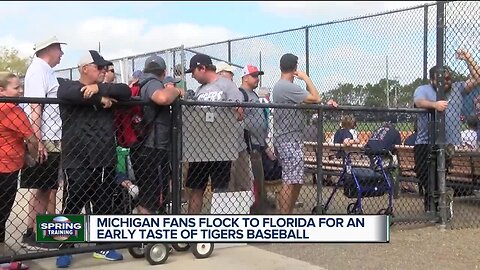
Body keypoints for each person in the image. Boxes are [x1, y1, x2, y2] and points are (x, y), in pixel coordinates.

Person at [55, 50, 131, 268]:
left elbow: (124, 90)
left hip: (104, 157)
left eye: (104, 68)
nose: (103, 71)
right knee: (72, 204)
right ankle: (64, 248)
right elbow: (71, 94)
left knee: (104, 204)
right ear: (85, 68)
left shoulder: (106, 87)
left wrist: (99, 88)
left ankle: (103, 246)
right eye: (99, 67)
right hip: (77, 158)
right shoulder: (67, 86)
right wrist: (100, 98)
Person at [413, 49, 480, 212]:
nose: (446, 82)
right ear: (432, 80)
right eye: (442, 79)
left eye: (448, 78)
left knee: (439, 173)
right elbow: (419, 102)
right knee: (423, 174)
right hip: (425, 141)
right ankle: (436, 203)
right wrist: (435, 105)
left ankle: (437, 207)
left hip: (448, 141)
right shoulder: (423, 89)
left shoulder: (458, 88)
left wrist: (468, 59)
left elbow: (477, 78)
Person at [272, 53, 337, 214]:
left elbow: (310, 103)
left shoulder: (283, 87)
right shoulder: (287, 86)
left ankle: (287, 214)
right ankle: (285, 218)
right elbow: (315, 97)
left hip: (290, 138)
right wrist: (306, 78)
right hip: (289, 139)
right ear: (294, 68)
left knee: (296, 179)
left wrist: (325, 105)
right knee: (290, 180)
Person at [183, 53, 244, 214]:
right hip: (200, 147)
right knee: (196, 188)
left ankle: (218, 231)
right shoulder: (199, 90)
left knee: (220, 190)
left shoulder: (227, 85)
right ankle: (192, 231)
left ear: (202, 68)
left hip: (221, 146)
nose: (193, 76)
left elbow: (239, 113)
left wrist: (219, 120)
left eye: (193, 72)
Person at [21, 36, 66, 249]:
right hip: (45, 138)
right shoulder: (38, 69)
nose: (62, 54)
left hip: (51, 137)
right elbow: (35, 106)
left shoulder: (47, 70)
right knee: (42, 186)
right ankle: (34, 234)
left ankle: (34, 231)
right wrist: (37, 140)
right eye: (59, 49)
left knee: (45, 187)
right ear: (49, 49)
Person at [129, 55, 184, 215]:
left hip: (143, 145)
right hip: (152, 147)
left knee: (148, 195)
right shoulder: (152, 83)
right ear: (163, 72)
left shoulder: (141, 83)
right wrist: (175, 90)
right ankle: (148, 236)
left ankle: (146, 235)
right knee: (151, 198)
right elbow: (162, 98)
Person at [0, 72, 38, 260]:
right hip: (6, 168)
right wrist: (33, 154)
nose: (21, 90)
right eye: (16, 88)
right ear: (2, 91)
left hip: (7, 164)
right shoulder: (11, 109)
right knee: (3, 212)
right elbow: (31, 138)